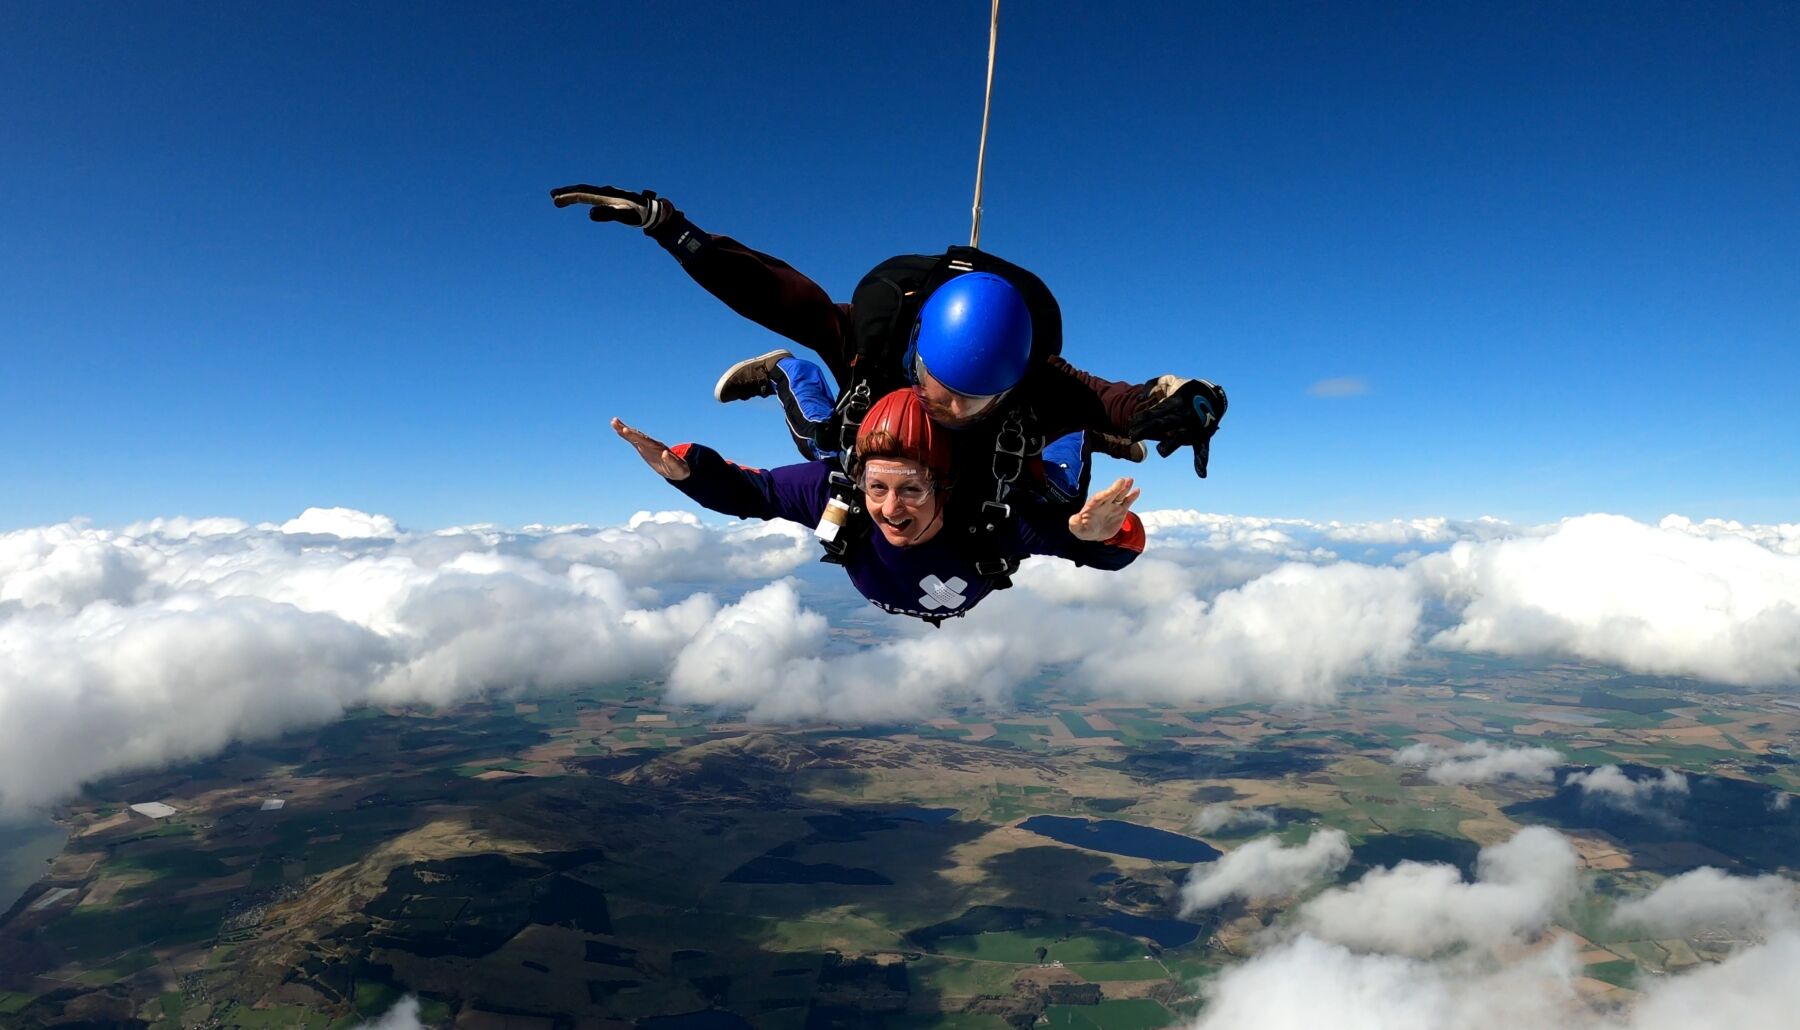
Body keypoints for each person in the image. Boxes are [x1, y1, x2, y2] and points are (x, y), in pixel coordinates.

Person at [549, 185, 1227, 481]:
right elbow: (773, 288)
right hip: (868, 395)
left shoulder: (1029, 374)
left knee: (1021, 458)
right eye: (944, 387)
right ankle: (786, 373)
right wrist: (670, 227)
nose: (950, 409)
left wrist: (1164, 408)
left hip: (1026, 414)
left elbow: (1115, 395)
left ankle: (1085, 440)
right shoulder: (869, 342)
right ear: (918, 353)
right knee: (835, 451)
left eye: (972, 397)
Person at [611, 388, 1145, 625]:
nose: (890, 508)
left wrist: (1091, 533)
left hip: (1015, 473)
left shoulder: (992, 520)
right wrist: (686, 470)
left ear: (945, 488)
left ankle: (1087, 430)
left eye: (911, 489)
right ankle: (788, 371)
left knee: (1061, 482)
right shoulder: (837, 494)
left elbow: (1118, 555)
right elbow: (755, 494)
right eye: (878, 488)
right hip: (878, 426)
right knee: (823, 442)